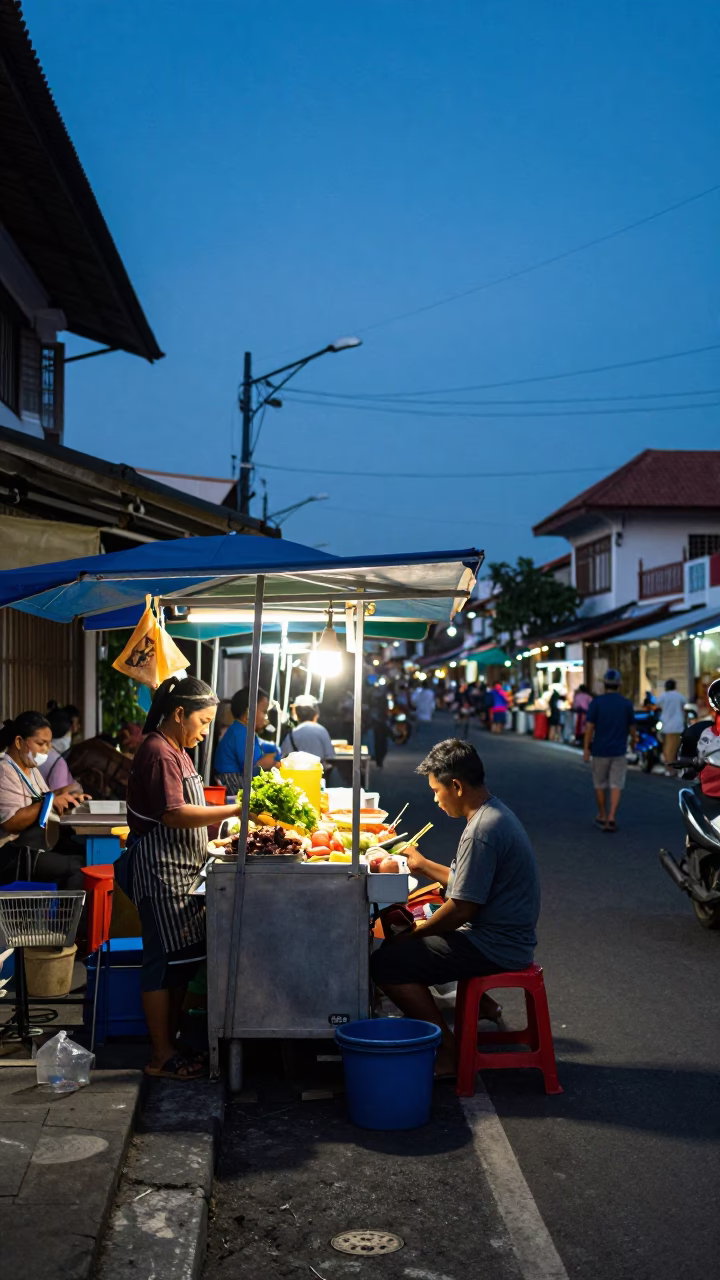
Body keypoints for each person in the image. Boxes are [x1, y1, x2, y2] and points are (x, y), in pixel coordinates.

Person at [370, 739, 540, 1078]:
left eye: (436, 790)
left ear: (457, 786)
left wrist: (415, 933)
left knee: (387, 962)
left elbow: (462, 908)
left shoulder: (481, 831)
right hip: (500, 934)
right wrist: (421, 865)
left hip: (496, 944)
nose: (435, 799)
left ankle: (449, 1052)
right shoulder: (493, 813)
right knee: (414, 934)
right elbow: (464, 882)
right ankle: (480, 1006)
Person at [116, 676, 248, 1081]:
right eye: (204, 721)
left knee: (179, 964)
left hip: (185, 869)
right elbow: (173, 814)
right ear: (179, 714)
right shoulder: (157, 751)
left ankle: (170, 1043)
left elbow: (190, 808)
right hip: (161, 872)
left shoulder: (177, 749)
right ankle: (159, 1055)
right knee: (160, 964)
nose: (206, 731)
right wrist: (235, 812)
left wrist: (223, 833)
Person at [0, 711, 87, 887]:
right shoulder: (4, 771)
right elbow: (10, 822)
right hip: (10, 854)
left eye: (48, 744)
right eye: (41, 744)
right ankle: (68, 915)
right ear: (19, 742)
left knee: (85, 854)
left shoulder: (31, 770)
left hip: (31, 845)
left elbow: (46, 799)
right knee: (79, 868)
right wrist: (48, 803)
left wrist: (68, 799)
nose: (47, 750)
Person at [583, 670, 637, 832]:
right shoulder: (626, 703)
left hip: (599, 750)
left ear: (604, 684)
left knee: (599, 784)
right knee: (616, 784)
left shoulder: (597, 703)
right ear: (619, 684)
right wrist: (633, 742)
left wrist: (586, 748)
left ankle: (602, 815)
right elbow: (632, 728)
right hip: (619, 750)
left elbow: (589, 727)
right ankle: (612, 816)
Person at [213, 686, 281, 792]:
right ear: (249, 713)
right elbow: (253, 767)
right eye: (264, 712)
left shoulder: (241, 730)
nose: (266, 718)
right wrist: (276, 763)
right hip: (233, 783)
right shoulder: (241, 733)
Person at [38, 706, 84, 794]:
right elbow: (60, 801)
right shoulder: (58, 763)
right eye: (69, 733)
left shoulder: (34, 753)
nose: (76, 728)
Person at [281, 695, 334, 764]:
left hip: (297, 773)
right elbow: (330, 755)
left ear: (296, 714)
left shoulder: (291, 734)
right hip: (318, 773)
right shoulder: (321, 730)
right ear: (316, 713)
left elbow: (284, 756)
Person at [656, 679, 686, 776]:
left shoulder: (663, 696)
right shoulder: (679, 696)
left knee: (667, 749)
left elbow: (656, 703)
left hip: (666, 726)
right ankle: (670, 769)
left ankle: (669, 769)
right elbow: (685, 702)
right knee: (673, 749)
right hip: (677, 726)